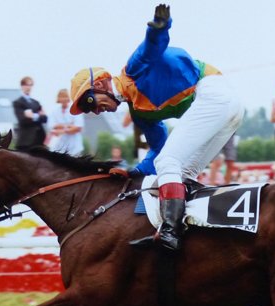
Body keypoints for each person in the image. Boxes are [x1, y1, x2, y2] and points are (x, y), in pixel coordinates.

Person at [69, 4, 242, 251]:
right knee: (182, 172)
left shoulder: (133, 69)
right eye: (89, 110)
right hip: (227, 108)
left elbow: (152, 46)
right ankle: (196, 235)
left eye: (89, 103)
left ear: (100, 83)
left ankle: (171, 232)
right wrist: (134, 173)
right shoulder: (139, 113)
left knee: (167, 163)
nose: (95, 111)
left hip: (214, 93)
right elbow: (159, 147)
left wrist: (160, 27)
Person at [13, 76, 47, 150]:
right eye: (26, 85)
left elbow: (44, 118)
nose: (28, 87)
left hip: (39, 140)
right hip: (25, 141)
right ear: (22, 86)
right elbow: (22, 120)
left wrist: (33, 116)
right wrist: (38, 116)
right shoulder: (17, 102)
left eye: (30, 85)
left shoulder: (36, 102)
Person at [47, 89, 84, 155]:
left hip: (74, 147)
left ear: (68, 98)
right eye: (61, 97)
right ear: (58, 98)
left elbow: (78, 128)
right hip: (58, 146)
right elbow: (52, 126)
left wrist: (61, 129)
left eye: (65, 97)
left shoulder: (75, 110)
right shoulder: (54, 112)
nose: (63, 99)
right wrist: (69, 126)